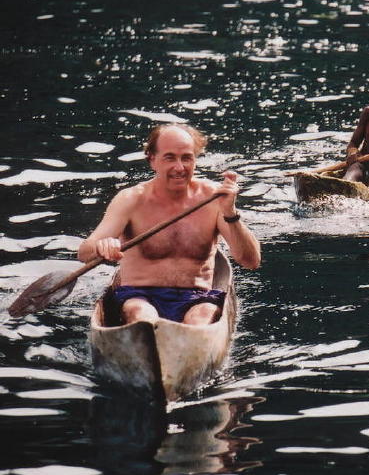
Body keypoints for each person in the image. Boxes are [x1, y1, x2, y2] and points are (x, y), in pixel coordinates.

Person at [78, 124, 261, 326]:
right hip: (139, 296)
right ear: (152, 160)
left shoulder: (213, 197)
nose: (180, 167)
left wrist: (230, 213)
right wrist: (102, 247)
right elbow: (84, 253)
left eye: (186, 158)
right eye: (170, 157)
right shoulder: (131, 199)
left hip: (197, 298)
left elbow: (251, 261)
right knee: (141, 317)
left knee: (201, 318)